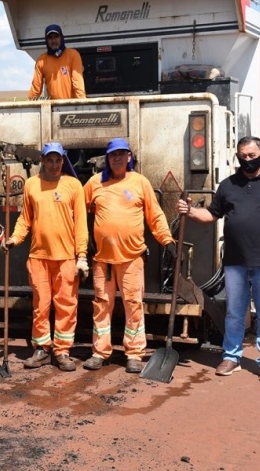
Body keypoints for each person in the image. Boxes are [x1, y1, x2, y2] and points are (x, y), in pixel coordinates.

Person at [177, 136, 260, 383]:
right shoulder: (228, 185)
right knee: (235, 312)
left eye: (251, 155)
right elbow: (211, 215)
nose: (247, 160)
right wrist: (190, 211)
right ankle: (231, 357)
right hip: (235, 262)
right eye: (242, 156)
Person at [83, 138, 176, 373]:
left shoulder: (140, 182)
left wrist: (167, 240)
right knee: (101, 306)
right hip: (102, 260)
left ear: (129, 157)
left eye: (122, 154)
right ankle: (99, 351)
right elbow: (78, 212)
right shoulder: (95, 183)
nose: (117, 158)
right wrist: (85, 242)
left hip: (131, 259)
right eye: (113, 155)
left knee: (133, 305)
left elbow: (155, 216)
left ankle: (134, 353)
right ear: (107, 158)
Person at [0, 142, 89, 371]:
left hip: (66, 258)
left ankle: (62, 350)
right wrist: (14, 239)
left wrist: (82, 256)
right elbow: (25, 219)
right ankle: (41, 347)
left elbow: (81, 224)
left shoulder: (73, 185)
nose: (54, 165)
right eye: (49, 160)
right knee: (41, 305)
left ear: (63, 161)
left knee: (66, 305)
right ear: (42, 160)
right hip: (38, 257)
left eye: (58, 160)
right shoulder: (32, 185)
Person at [28, 24, 86, 100]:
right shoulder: (41, 60)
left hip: (72, 107)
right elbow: (36, 88)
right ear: (46, 40)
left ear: (61, 38)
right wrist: (29, 105)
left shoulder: (73, 55)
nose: (53, 40)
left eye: (56, 36)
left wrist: (82, 104)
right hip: (53, 108)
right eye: (50, 38)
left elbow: (78, 83)